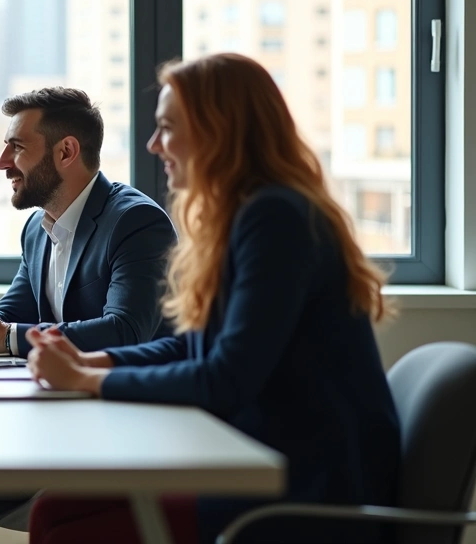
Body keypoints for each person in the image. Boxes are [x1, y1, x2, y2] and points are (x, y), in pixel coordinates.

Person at [26, 53, 401, 543]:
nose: (153, 144)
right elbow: (195, 346)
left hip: (309, 487)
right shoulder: (246, 215)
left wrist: (84, 380)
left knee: (66, 529)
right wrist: (91, 361)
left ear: (217, 131)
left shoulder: (276, 219)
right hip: (263, 458)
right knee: (54, 510)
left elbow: (225, 378)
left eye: (167, 128)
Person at [0, 87, 177, 544]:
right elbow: (11, 314)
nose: (2, 163)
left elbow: (127, 331)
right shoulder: (37, 227)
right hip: (58, 428)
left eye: (16, 147)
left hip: (123, 441)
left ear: (66, 152)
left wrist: (4, 337)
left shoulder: (135, 222)